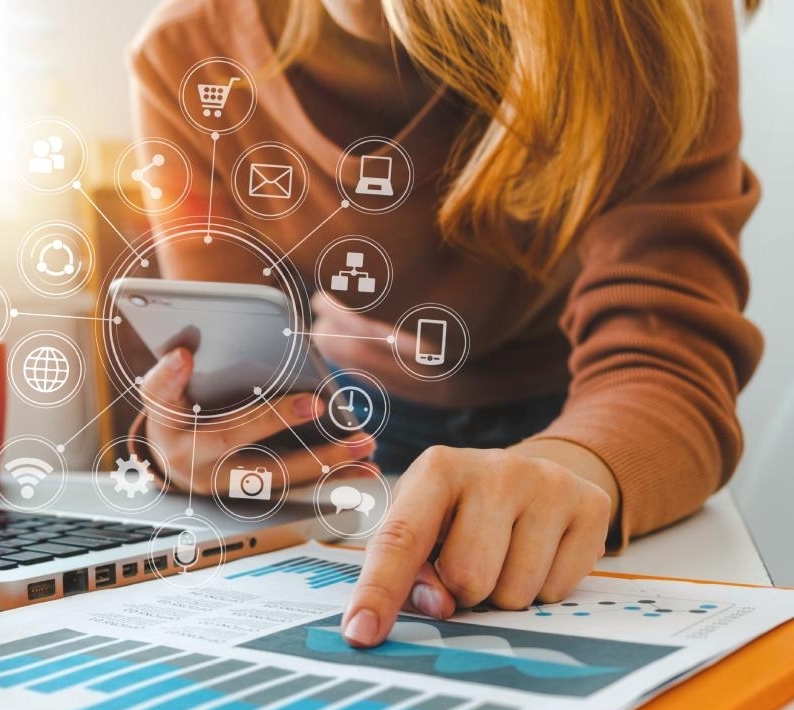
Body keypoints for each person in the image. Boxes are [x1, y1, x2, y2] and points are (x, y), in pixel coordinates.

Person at [126, 0, 762, 648]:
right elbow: (226, 361)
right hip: (347, 419)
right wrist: (187, 445)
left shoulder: (651, 17)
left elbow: (669, 350)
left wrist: (573, 464)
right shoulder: (187, 50)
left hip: (586, 410)